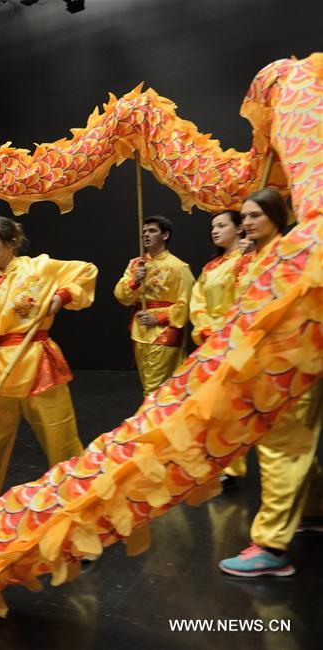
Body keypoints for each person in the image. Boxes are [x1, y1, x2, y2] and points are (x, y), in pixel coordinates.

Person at [219, 188, 322, 577]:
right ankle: (313, 511)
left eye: (255, 216)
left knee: (280, 449)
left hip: (288, 365)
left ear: (277, 216)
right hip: (272, 363)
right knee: (297, 444)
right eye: (243, 216)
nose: (246, 222)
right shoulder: (261, 256)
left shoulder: (288, 254)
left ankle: (272, 546)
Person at [0, 215, 97, 507]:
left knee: (63, 442)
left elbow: (86, 270)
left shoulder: (39, 268)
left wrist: (63, 294)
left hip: (40, 363)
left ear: (10, 242)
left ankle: (78, 509)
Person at [189, 210, 250, 487]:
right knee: (216, 406)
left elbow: (248, 300)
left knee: (234, 406)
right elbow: (198, 301)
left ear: (240, 229)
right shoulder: (211, 267)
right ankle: (223, 462)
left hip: (239, 340)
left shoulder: (251, 261)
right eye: (213, 226)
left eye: (222, 225)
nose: (214, 231)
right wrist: (203, 328)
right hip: (211, 341)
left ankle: (232, 464)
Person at [114, 216, 195, 395]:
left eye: (152, 231)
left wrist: (158, 318)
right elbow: (121, 296)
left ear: (165, 235)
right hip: (139, 329)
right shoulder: (136, 264)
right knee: (147, 383)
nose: (146, 235)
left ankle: (152, 421)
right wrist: (135, 280)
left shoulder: (179, 267)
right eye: (144, 232)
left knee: (155, 388)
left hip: (165, 331)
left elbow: (187, 303)